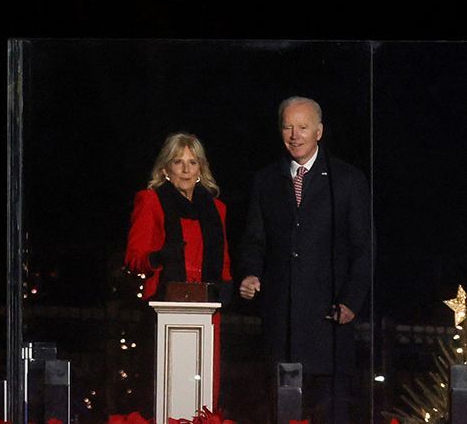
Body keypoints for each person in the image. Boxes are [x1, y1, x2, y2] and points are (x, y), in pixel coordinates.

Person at [237, 95, 372, 424]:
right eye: (287, 127)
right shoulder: (265, 180)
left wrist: (352, 301)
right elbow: (255, 240)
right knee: (279, 410)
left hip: (329, 321)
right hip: (280, 322)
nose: (295, 135)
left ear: (319, 131)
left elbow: (364, 248)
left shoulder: (348, 180)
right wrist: (251, 273)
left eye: (303, 127)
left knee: (329, 412)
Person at [126, 131, 232, 298]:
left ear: (200, 169)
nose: (186, 170)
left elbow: (224, 262)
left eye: (192, 162)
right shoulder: (150, 201)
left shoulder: (216, 208)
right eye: (178, 162)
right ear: (166, 170)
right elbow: (133, 259)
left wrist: (225, 290)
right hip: (163, 301)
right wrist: (157, 258)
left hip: (207, 303)